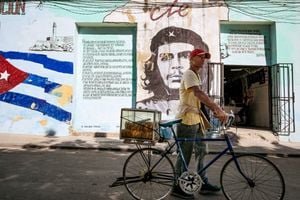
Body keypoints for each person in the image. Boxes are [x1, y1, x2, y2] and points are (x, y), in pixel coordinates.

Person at [171, 48, 227, 199]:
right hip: (187, 120)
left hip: (197, 120)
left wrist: (213, 112)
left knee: (202, 151)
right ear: (192, 58)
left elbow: (199, 99)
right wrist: (217, 108)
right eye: (201, 57)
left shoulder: (195, 75)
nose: (203, 60)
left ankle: (202, 182)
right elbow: (198, 94)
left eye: (205, 58)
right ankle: (177, 186)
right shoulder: (189, 74)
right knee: (185, 156)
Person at [136, 26, 211, 117]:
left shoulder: (208, 105)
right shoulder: (144, 108)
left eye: (184, 56)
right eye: (165, 57)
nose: (175, 65)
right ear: (156, 65)